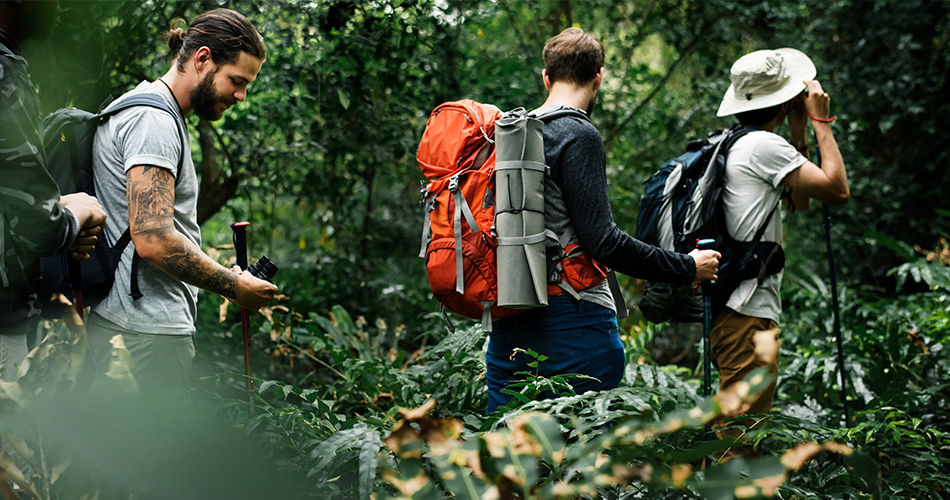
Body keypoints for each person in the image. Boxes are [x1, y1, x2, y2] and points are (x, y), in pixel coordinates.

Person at [485, 27, 721, 413]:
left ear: (546, 77)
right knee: (583, 458)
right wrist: (686, 267)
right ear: (598, 76)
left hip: (507, 317)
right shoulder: (578, 134)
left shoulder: (512, 132)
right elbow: (604, 242)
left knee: (513, 457)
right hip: (572, 321)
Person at [87, 8, 276, 391]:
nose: (241, 96)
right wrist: (233, 286)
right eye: (237, 81)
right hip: (145, 334)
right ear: (202, 59)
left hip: (130, 325)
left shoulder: (151, 110)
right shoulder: (153, 121)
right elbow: (154, 240)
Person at [711, 48, 849, 459]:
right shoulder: (763, 148)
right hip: (747, 311)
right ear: (784, 98)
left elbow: (799, 201)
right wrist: (822, 121)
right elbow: (836, 189)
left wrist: (799, 134)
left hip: (736, 310)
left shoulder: (738, 143)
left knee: (736, 435)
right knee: (736, 443)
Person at [1, 0, 107, 380]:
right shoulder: (5, 72)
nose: (60, 6)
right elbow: (37, 228)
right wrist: (78, 211)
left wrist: (55, 205)